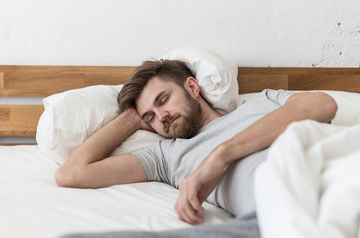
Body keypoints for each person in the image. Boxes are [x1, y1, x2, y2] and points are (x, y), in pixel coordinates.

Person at [55, 59, 337, 237]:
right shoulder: (166, 157)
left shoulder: (264, 102)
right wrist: (131, 118)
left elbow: (323, 105)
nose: (161, 117)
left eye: (163, 100)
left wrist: (221, 156)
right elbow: (71, 174)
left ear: (192, 86)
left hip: (334, 175)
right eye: (150, 117)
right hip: (280, 217)